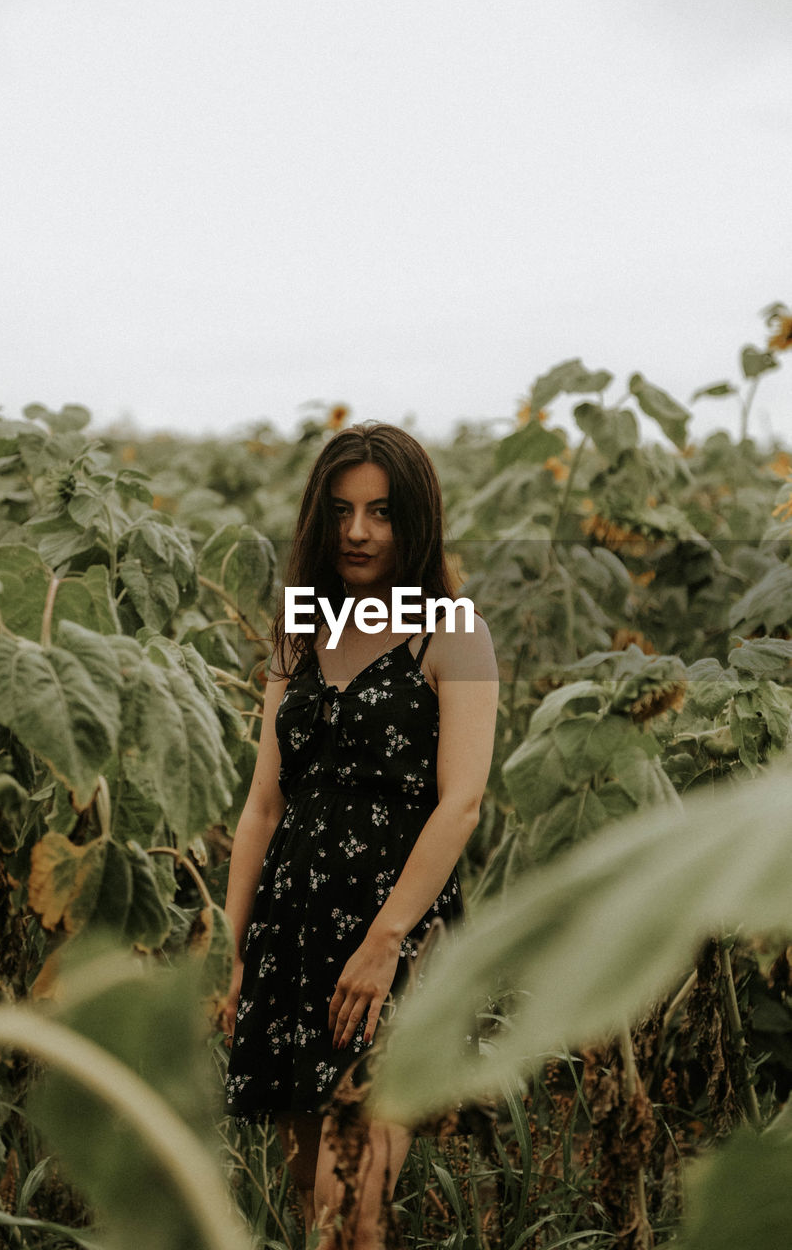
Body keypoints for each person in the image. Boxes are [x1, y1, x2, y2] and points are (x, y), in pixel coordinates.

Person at [222, 423, 498, 1249]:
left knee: (357, 1198)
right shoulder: (299, 629)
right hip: (292, 932)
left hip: (388, 940)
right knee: (313, 1195)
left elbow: (462, 804)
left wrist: (384, 944)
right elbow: (262, 806)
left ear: (416, 521)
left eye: (381, 512)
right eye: (340, 511)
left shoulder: (453, 632)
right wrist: (232, 951)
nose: (358, 532)